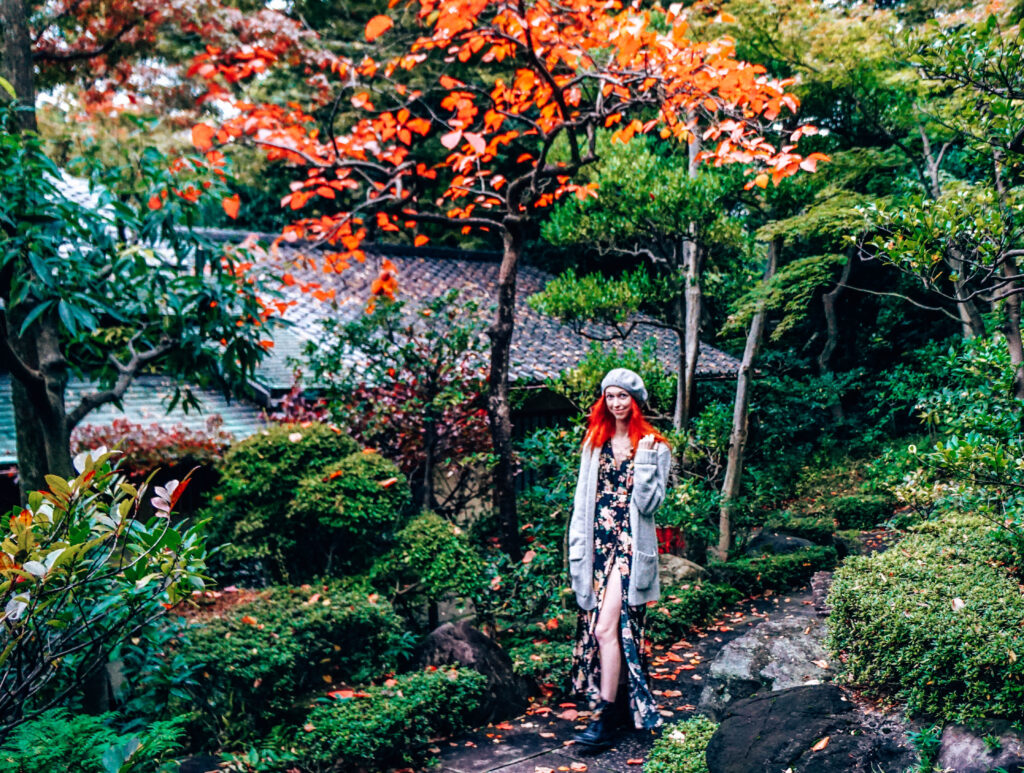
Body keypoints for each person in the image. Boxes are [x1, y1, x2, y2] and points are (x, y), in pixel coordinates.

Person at [567, 367, 671, 750]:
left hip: (629, 547)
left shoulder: (656, 446)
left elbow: (649, 505)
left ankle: (605, 720)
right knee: (609, 631)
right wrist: (578, 552)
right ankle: (621, 711)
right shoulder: (595, 442)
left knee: (605, 630)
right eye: (610, 396)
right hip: (597, 545)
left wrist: (643, 464)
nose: (615, 403)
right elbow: (581, 505)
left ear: (636, 401)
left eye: (623, 396)